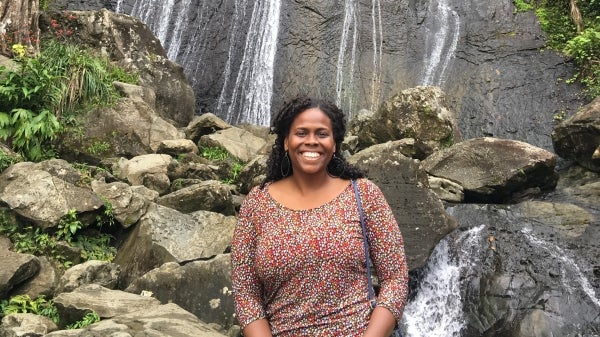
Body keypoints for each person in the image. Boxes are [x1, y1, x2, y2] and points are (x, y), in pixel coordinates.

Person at [231, 95, 409, 337]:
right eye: (301, 133)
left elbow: (395, 279)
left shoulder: (365, 195)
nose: (311, 141)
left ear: (334, 144)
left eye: (322, 134)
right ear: (285, 141)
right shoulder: (257, 203)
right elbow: (246, 293)